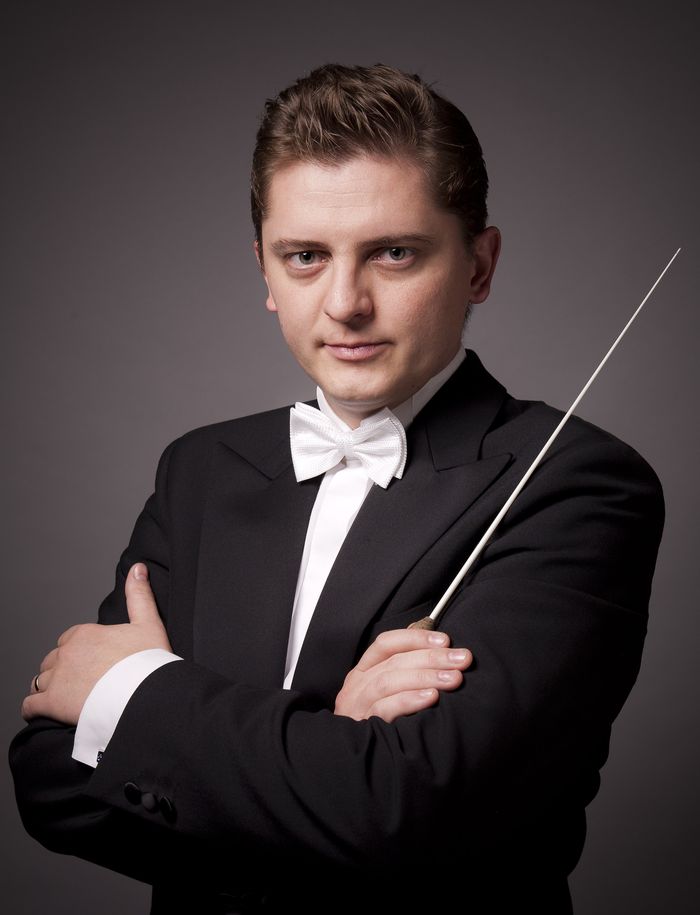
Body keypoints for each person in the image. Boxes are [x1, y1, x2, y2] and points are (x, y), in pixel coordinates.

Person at [9, 63, 664, 914]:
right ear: (264, 270)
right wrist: (331, 750)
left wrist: (133, 693)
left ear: (479, 264)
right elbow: (49, 784)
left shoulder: (578, 484)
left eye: (394, 253)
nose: (345, 302)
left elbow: (402, 810)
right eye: (306, 257)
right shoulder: (200, 470)